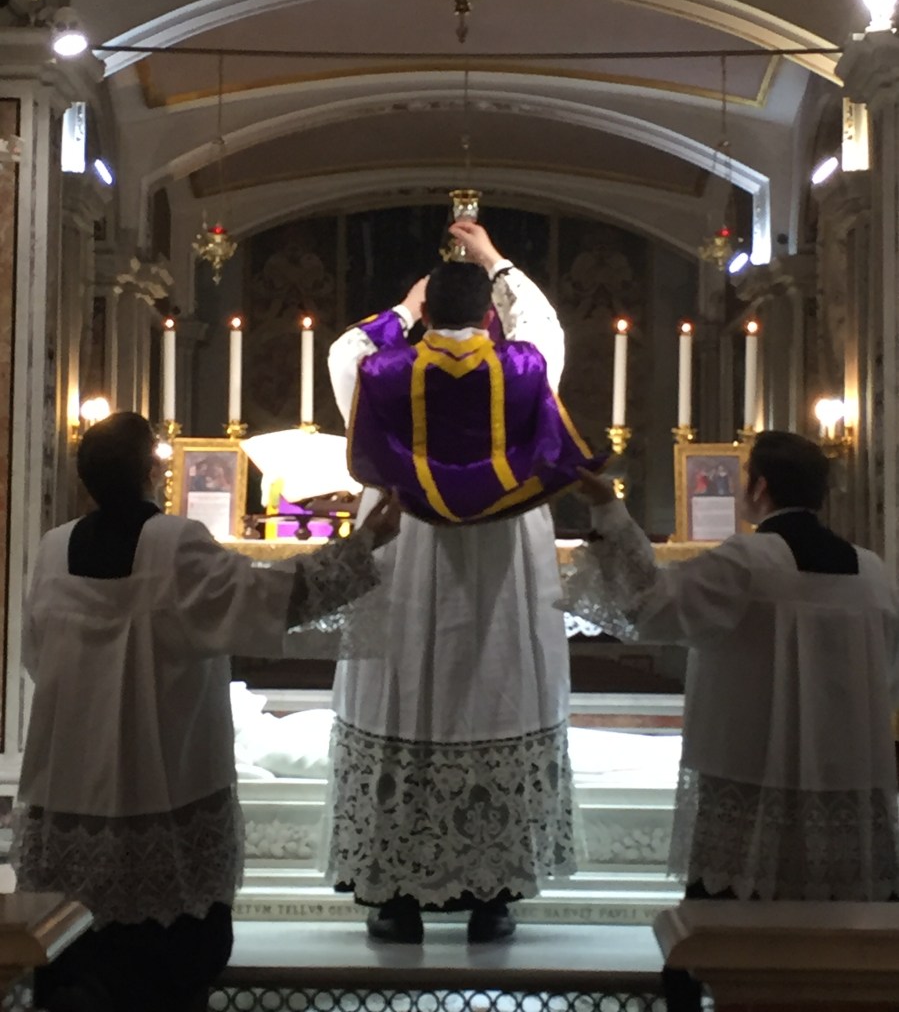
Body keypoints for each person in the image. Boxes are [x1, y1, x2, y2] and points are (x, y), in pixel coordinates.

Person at [14, 412, 399, 1012]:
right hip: (164, 787)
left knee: (78, 962)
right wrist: (364, 544)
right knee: (165, 971)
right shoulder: (174, 545)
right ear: (151, 471)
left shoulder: (52, 549)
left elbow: (39, 658)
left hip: (69, 785)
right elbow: (270, 597)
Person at [326, 219, 604, 945]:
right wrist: (496, 262)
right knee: (494, 689)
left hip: (405, 547)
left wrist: (401, 310)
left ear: (426, 313)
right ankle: (493, 897)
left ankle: (396, 899)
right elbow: (543, 323)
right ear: (489, 316)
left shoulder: (382, 372)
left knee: (401, 694)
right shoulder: (525, 366)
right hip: (500, 557)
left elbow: (344, 350)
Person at [562, 430, 899, 1012]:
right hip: (847, 788)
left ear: (759, 487)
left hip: (749, 783)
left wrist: (607, 509)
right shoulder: (873, 573)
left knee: (718, 930)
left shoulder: (747, 562)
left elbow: (650, 605)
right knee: (844, 937)